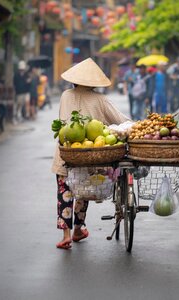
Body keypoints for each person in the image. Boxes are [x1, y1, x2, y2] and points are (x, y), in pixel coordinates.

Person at [51, 58, 130, 250]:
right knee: (82, 189)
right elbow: (120, 120)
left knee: (65, 191)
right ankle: (78, 229)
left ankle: (66, 234)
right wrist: (134, 124)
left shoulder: (65, 95)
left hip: (66, 152)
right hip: (90, 153)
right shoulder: (100, 99)